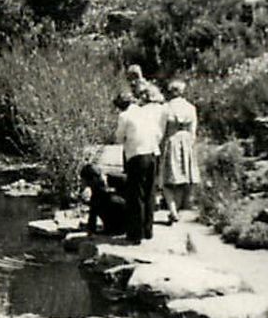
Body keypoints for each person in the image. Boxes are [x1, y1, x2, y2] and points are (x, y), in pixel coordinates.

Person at [113, 84, 165, 242]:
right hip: (152, 153)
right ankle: (148, 230)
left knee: (135, 195)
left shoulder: (124, 116)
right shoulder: (145, 112)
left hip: (137, 155)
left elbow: (119, 138)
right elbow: (157, 133)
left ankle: (135, 234)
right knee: (149, 193)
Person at [159, 79, 200, 225]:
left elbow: (161, 130)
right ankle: (177, 209)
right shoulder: (190, 108)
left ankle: (172, 210)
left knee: (167, 179)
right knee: (182, 179)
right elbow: (193, 131)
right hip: (186, 142)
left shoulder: (166, 108)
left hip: (171, 141)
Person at [79, 163, 127, 235]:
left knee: (111, 200)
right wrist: (91, 228)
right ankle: (111, 228)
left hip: (130, 213)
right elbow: (93, 208)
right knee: (99, 199)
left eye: (88, 183)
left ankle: (119, 228)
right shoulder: (97, 188)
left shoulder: (120, 179)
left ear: (94, 179)